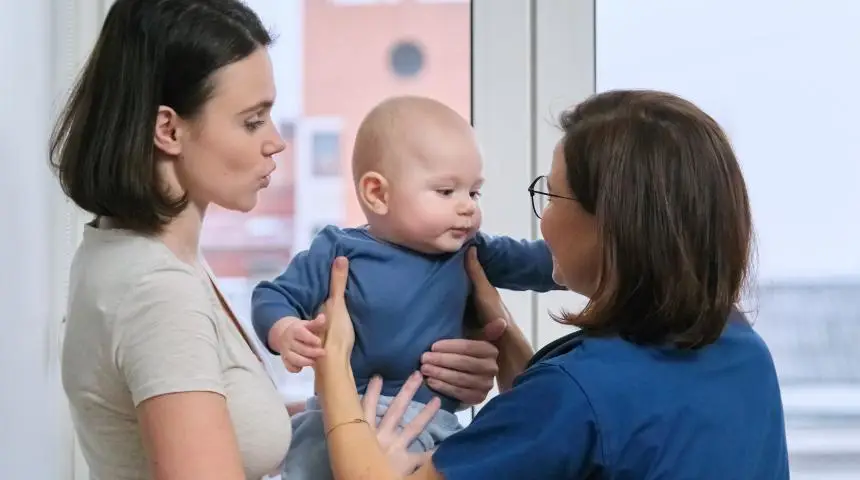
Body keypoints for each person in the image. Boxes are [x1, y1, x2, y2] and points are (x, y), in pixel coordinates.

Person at [51, 1, 500, 478]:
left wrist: (400, 390)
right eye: (252, 121)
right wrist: (366, 466)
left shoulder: (133, 255)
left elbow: (225, 435)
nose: (275, 141)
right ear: (169, 129)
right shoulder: (157, 292)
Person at [312, 89, 791, 479]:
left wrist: (331, 361)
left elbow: (571, 415)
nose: (543, 220)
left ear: (612, 225)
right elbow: (594, 439)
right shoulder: (741, 346)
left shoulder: (571, 395)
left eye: (552, 195)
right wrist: (499, 332)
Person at [251, 95, 559, 480]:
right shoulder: (338, 250)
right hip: (338, 418)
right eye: (447, 192)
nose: (467, 207)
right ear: (377, 194)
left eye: (473, 192)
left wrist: (616, 249)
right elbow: (272, 296)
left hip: (433, 426)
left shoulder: (470, 250)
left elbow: (545, 263)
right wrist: (285, 331)